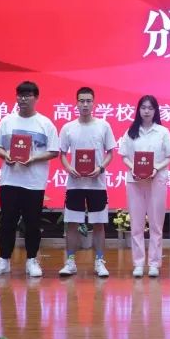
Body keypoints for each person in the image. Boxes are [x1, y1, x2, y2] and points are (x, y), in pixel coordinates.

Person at [0, 80, 59, 278]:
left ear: (36, 98)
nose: (23, 99)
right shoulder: (6, 122)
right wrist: (5, 155)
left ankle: (32, 260)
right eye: (20, 95)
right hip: (9, 181)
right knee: (7, 222)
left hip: (34, 183)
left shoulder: (45, 123)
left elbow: (54, 151)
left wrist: (33, 158)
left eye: (27, 96)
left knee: (32, 223)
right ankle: (4, 260)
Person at [57, 87, 118, 278]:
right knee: (72, 223)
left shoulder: (103, 126)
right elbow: (62, 154)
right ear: (76, 103)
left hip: (96, 184)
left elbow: (110, 153)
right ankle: (70, 262)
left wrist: (100, 168)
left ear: (93, 103)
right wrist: (69, 168)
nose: (85, 104)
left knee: (98, 223)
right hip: (75, 184)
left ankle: (99, 261)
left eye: (88, 101)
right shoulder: (68, 127)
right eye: (81, 101)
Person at [119, 94, 170, 278]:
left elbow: (169, 156)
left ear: (155, 111)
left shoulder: (162, 132)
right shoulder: (131, 131)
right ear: (138, 110)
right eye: (143, 107)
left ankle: (154, 264)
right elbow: (124, 156)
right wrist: (133, 168)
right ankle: (138, 263)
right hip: (135, 182)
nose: (146, 111)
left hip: (156, 181)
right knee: (136, 225)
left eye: (150, 108)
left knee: (156, 225)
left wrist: (156, 168)